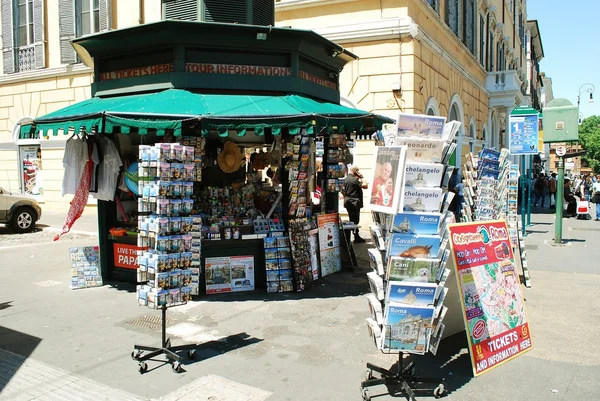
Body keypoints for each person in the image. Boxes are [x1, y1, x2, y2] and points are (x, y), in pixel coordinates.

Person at [343, 166, 368, 243]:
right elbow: (365, 185)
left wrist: (346, 197)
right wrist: (362, 177)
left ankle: (355, 235)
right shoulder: (354, 180)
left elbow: (342, 191)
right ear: (356, 171)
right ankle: (355, 236)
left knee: (352, 219)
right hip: (354, 202)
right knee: (355, 220)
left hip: (348, 201)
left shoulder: (346, 179)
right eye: (358, 170)